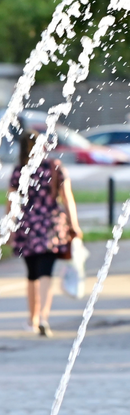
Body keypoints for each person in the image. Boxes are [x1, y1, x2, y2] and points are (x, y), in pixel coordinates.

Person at [6, 130, 82, 337]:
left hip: (26, 226)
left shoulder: (19, 170)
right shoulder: (54, 167)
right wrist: (74, 225)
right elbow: (67, 198)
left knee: (31, 274)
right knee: (45, 272)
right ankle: (43, 317)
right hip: (50, 226)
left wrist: (10, 228)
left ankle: (32, 318)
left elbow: (11, 203)